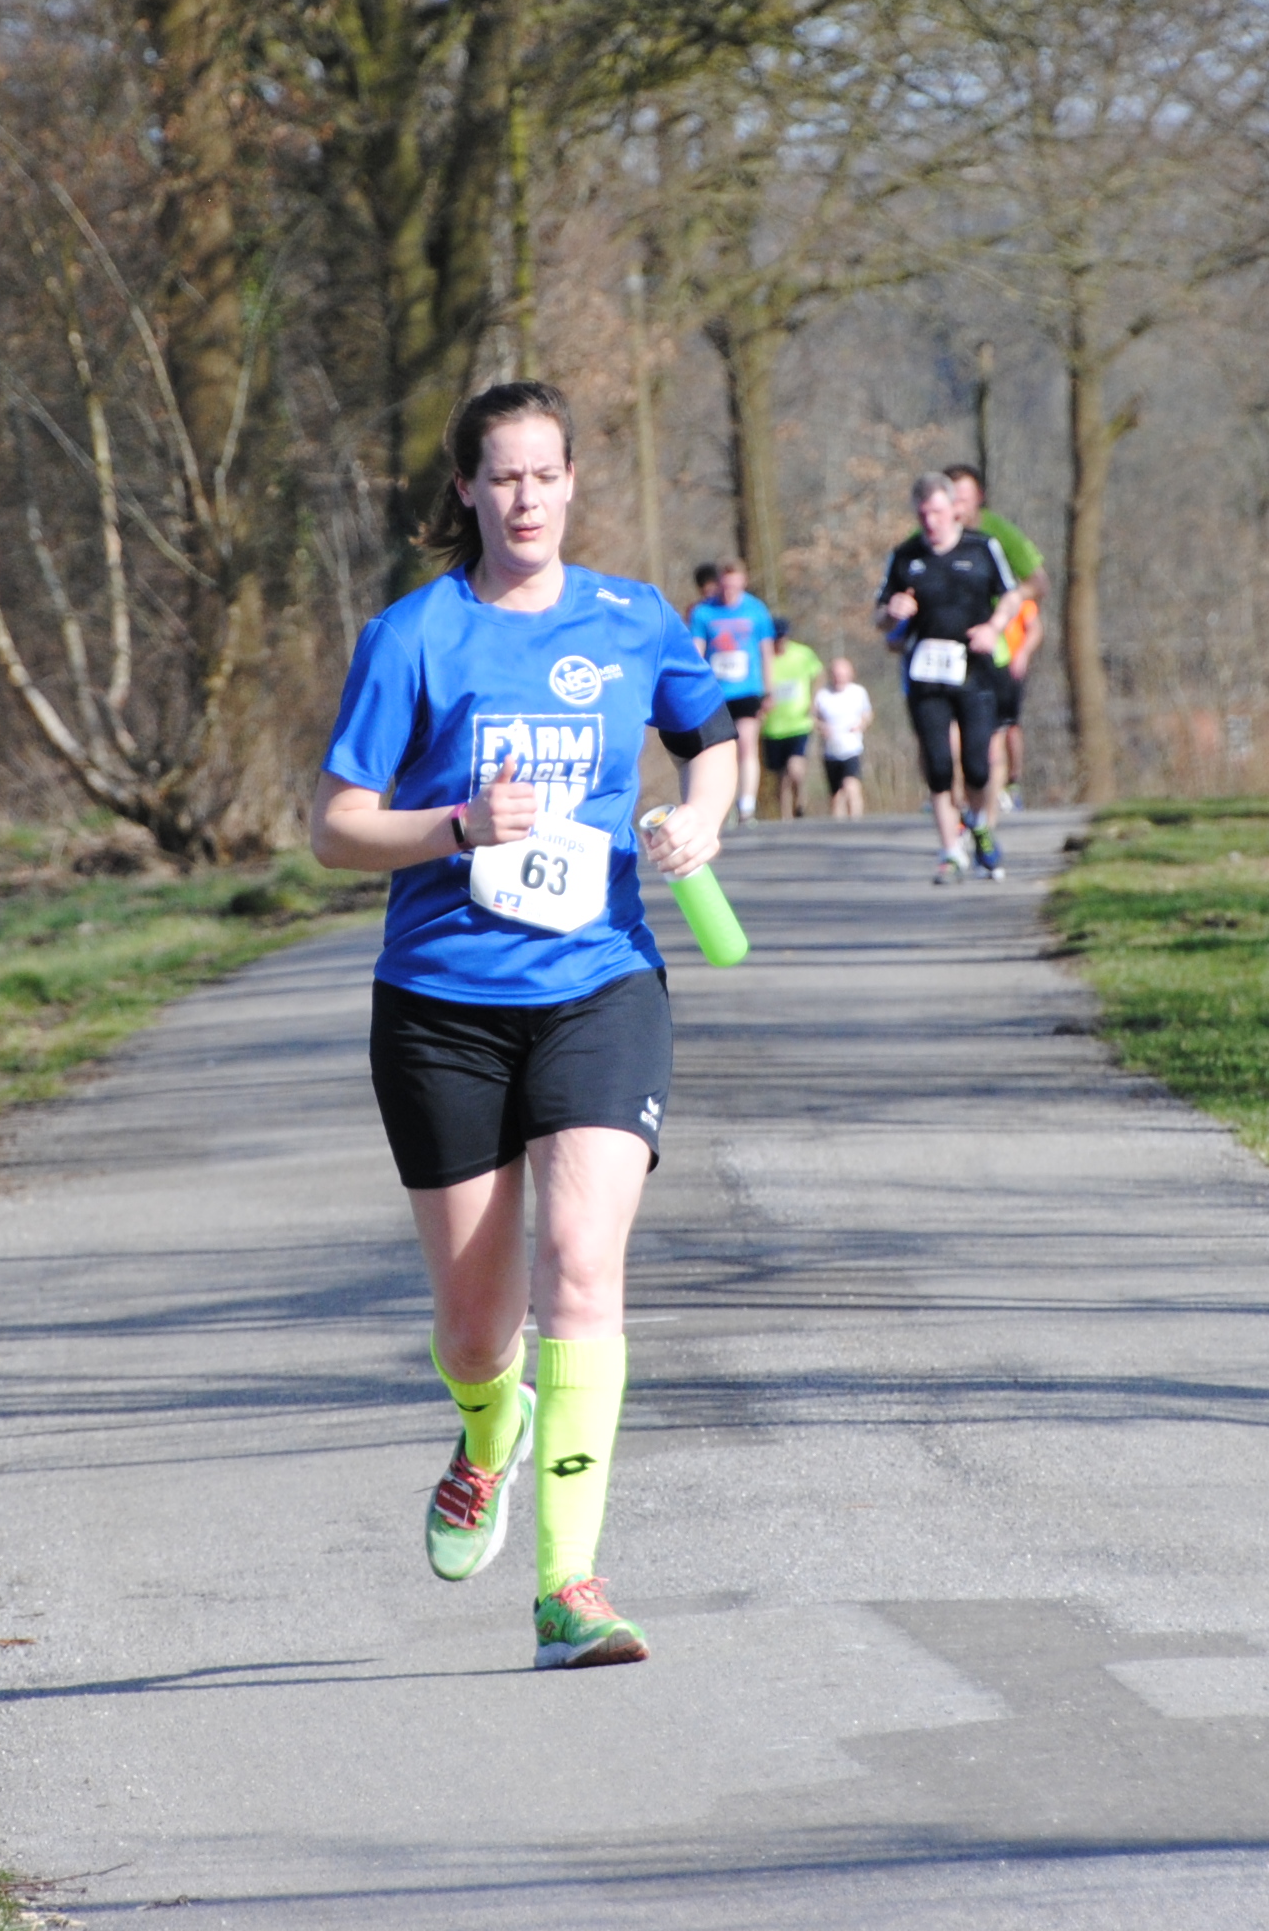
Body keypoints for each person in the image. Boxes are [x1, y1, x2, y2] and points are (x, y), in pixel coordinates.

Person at [311, 379, 741, 1672]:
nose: (526, 499)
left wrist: (701, 818)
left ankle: (570, 1588)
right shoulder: (414, 636)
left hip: (601, 986)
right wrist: (455, 826)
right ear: (466, 490)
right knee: (474, 1330)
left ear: (571, 482)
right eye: (501, 477)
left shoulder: (633, 618)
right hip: (442, 1005)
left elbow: (711, 739)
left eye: (545, 475)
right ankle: (485, 1429)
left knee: (581, 1266)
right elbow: (335, 828)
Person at [877, 473, 1016, 884]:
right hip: (925, 674)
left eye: (937, 512)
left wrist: (994, 627)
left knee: (977, 765)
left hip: (975, 670)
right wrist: (892, 612)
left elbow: (1011, 595)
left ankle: (980, 826)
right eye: (923, 514)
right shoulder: (905, 556)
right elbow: (880, 616)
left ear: (955, 509)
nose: (930, 522)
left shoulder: (982, 548)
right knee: (938, 764)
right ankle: (950, 850)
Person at [945, 465, 1047, 811]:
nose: (957, 506)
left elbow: (1038, 583)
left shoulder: (998, 533)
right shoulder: (927, 533)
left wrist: (1009, 602)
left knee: (994, 733)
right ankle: (954, 802)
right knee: (947, 734)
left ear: (979, 498)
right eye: (950, 498)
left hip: (992, 646)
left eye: (964, 497)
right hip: (943, 647)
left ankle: (992, 803)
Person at [685, 560, 776, 821]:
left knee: (746, 744)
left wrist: (769, 690)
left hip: (748, 689)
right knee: (718, 752)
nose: (729, 592)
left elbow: (766, 652)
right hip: (715, 692)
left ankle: (746, 805)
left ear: (743, 583)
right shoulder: (704, 612)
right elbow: (696, 651)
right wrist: (692, 687)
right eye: (725, 586)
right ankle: (718, 805)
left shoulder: (756, 610)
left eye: (734, 586)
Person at [756, 618, 823, 819]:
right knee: (780, 776)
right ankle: (786, 818)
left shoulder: (802, 654)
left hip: (799, 722)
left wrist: (813, 701)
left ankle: (800, 800)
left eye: (782, 638)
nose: (780, 642)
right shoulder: (763, 658)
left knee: (795, 768)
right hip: (773, 726)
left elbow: (818, 675)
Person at [813, 651, 874, 819]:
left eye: (842, 674)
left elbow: (868, 714)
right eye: (836, 675)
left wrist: (861, 725)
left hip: (852, 748)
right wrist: (822, 727)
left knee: (851, 785)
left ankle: (856, 821)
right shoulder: (822, 695)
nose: (839, 678)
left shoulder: (858, 692)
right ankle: (838, 827)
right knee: (836, 795)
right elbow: (812, 718)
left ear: (850, 674)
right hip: (831, 750)